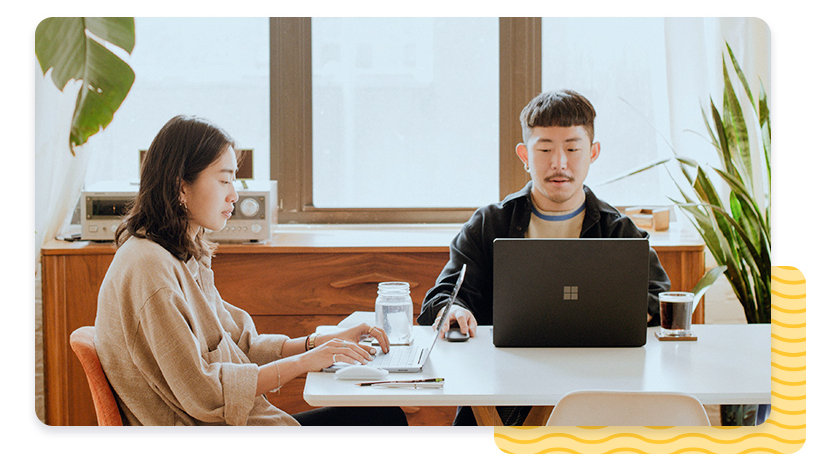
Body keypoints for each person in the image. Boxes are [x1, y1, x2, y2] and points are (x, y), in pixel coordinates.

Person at [95, 115, 407, 426]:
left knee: (383, 414)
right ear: (181, 187)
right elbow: (207, 393)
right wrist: (306, 362)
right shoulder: (150, 269)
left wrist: (319, 342)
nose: (234, 194)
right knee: (384, 421)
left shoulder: (182, 255)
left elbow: (240, 346)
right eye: (223, 180)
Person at [417, 90, 671, 426]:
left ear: (593, 153)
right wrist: (455, 309)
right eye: (545, 149)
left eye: (572, 148)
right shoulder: (489, 223)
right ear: (524, 154)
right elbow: (441, 298)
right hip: (499, 393)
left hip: (598, 392)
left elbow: (659, 296)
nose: (559, 163)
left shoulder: (618, 229)